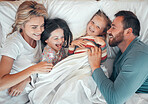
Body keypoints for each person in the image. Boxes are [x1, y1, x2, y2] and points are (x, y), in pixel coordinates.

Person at [88, 10, 148, 104]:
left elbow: (114, 100)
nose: (108, 31)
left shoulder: (139, 55)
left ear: (128, 32)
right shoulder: (123, 54)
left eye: (113, 27)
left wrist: (95, 67)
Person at [0, 1, 53, 104]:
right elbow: (1, 83)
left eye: (42, 25)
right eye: (34, 27)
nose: (40, 30)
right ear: (22, 25)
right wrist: (33, 69)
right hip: (6, 98)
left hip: (27, 97)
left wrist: (27, 79)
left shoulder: (38, 39)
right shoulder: (13, 43)